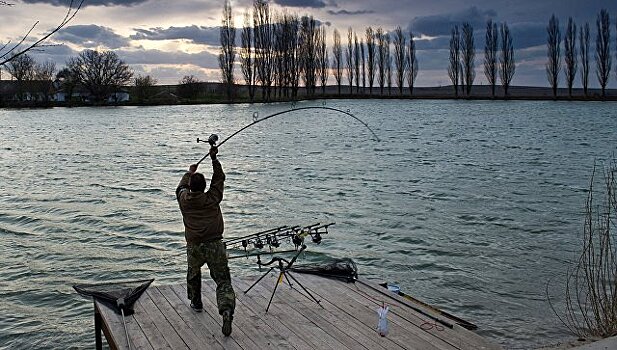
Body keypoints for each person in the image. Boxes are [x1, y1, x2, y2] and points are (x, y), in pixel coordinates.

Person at [176, 146, 235, 336]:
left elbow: (180, 188)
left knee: (193, 273)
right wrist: (214, 159)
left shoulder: (184, 200)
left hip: (194, 246)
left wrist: (189, 172)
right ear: (204, 186)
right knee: (222, 280)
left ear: (191, 187)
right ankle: (226, 309)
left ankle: (196, 302)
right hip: (215, 245)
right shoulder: (212, 198)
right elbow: (219, 179)